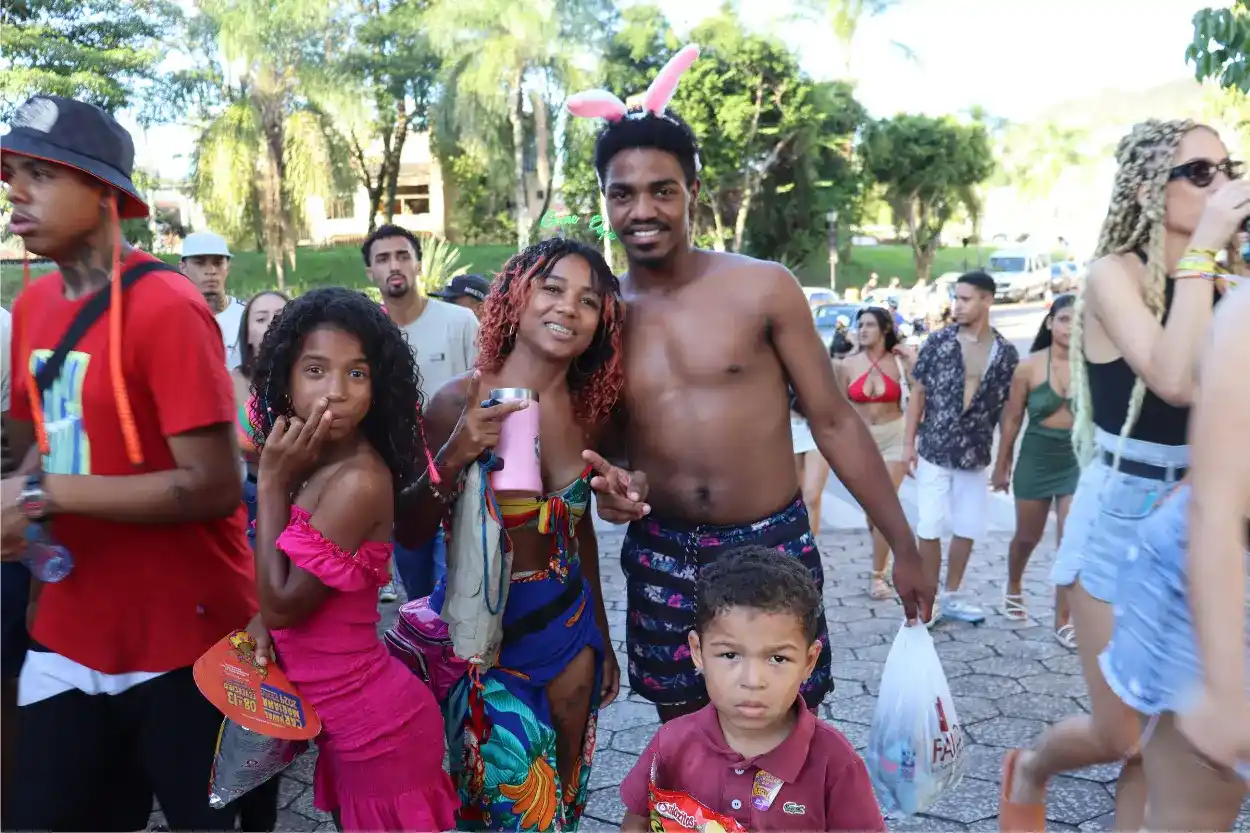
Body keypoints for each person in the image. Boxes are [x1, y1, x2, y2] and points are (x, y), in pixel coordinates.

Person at [567, 50, 932, 724]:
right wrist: (613, 486)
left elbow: (832, 419)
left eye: (662, 189)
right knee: (683, 732)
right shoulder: (600, 314)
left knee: (789, 730)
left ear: (693, 193)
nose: (642, 209)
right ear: (606, 201)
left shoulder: (762, 286)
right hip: (663, 553)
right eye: (623, 193)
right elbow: (608, 443)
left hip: (772, 544)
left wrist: (902, 542)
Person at [0, 95, 255, 829]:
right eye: (13, 172)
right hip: (66, 632)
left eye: (41, 173)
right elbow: (24, 446)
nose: (16, 190)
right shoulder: (32, 308)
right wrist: (17, 498)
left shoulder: (169, 307)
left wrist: (44, 494)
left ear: (105, 191)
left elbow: (212, 485)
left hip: (182, 642)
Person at [999, 120, 1241, 832]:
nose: (1222, 182)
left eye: (1228, 167)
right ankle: (1033, 766)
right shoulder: (1114, 274)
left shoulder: (1231, 281)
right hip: (1127, 506)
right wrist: (1202, 255)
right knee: (1123, 734)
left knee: (1172, 737)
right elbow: (1171, 377)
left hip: (1201, 511)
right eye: (1199, 172)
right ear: (1147, 189)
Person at [394, 237, 626, 830]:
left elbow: (582, 532)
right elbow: (412, 531)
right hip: (486, 642)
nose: (568, 308)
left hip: (570, 630)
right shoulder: (457, 401)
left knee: (565, 803)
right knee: (503, 806)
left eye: (589, 301)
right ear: (515, 299)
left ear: (601, 323)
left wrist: (602, 632)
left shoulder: (589, 410)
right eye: (552, 288)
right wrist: (455, 452)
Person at [248, 287, 458, 831]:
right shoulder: (312, 456)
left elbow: (284, 607)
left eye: (357, 373)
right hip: (344, 723)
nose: (335, 392)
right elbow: (280, 586)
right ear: (285, 376)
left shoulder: (359, 479)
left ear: (378, 384)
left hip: (377, 729)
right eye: (315, 370)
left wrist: (270, 484)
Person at [1096, 281, 1250, 831]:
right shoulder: (1242, 316)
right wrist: (1225, 689)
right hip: (1216, 577)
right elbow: (1217, 511)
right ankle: (1030, 772)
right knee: (1183, 799)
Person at [619, 547, 885, 832]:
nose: (753, 680)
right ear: (698, 651)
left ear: (809, 661)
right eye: (730, 655)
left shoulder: (835, 763)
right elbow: (637, 821)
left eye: (778, 658)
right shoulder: (671, 744)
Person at [363, 223, 479, 603]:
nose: (394, 265)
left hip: (458, 483)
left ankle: (459, 662)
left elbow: (484, 394)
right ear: (370, 272)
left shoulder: (459, 322)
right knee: (417, 599)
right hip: (400, 488)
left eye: (402, 256)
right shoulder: (366, 336)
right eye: (383, 259)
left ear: (418, 264)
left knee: (454, 595)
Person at [904, 271, 1019, 625]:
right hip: (934, 449)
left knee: (968, 527)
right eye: (957, 298)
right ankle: (928, 601)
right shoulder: (938, 343)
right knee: (929, 524)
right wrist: (909, 444)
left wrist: (1003, 464)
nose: (958, 305)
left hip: (974, 454)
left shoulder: (1005, 353)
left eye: (966, 298)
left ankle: (951, 595)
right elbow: (918, 395)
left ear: (987, 300)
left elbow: (1009, 415)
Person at [992, 294, 1079, 647]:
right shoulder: (1028, 367)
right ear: (1050, 323)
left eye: (1078, 320)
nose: (1070, 327)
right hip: (1037, 458)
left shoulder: (1091, 364)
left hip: (1076, 458)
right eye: (1064, 319)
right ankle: (1013, 584)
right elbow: (1012, 418)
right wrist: (1002, 465)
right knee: (1027, 537)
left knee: (1071, 540)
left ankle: (1064, 619)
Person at [834, 307, 913, 600]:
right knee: (872, 512)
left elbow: (920, 393)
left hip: (895, 436)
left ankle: (878, 576)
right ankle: (885, 557)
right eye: (861, 325)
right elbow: (840, 410)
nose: (863, 329)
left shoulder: (899, 361)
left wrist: (912, 359)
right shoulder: (847, 364)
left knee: (884, 507)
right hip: (861, 443)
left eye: (870, 325)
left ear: (884, 329)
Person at [232, 290, 289, 542]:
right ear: (247, 335)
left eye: (280, 316)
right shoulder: (228, 383)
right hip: (249, 499)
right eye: (261, 318)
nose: (271, 325)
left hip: (307, 498)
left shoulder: (314, 379)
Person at [182, 230, 246, 368]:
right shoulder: (174, 318)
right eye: (200, 263)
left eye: (218, 263)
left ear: (227, 267)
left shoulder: (247, 316)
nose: (211, 270)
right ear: (183, 267)